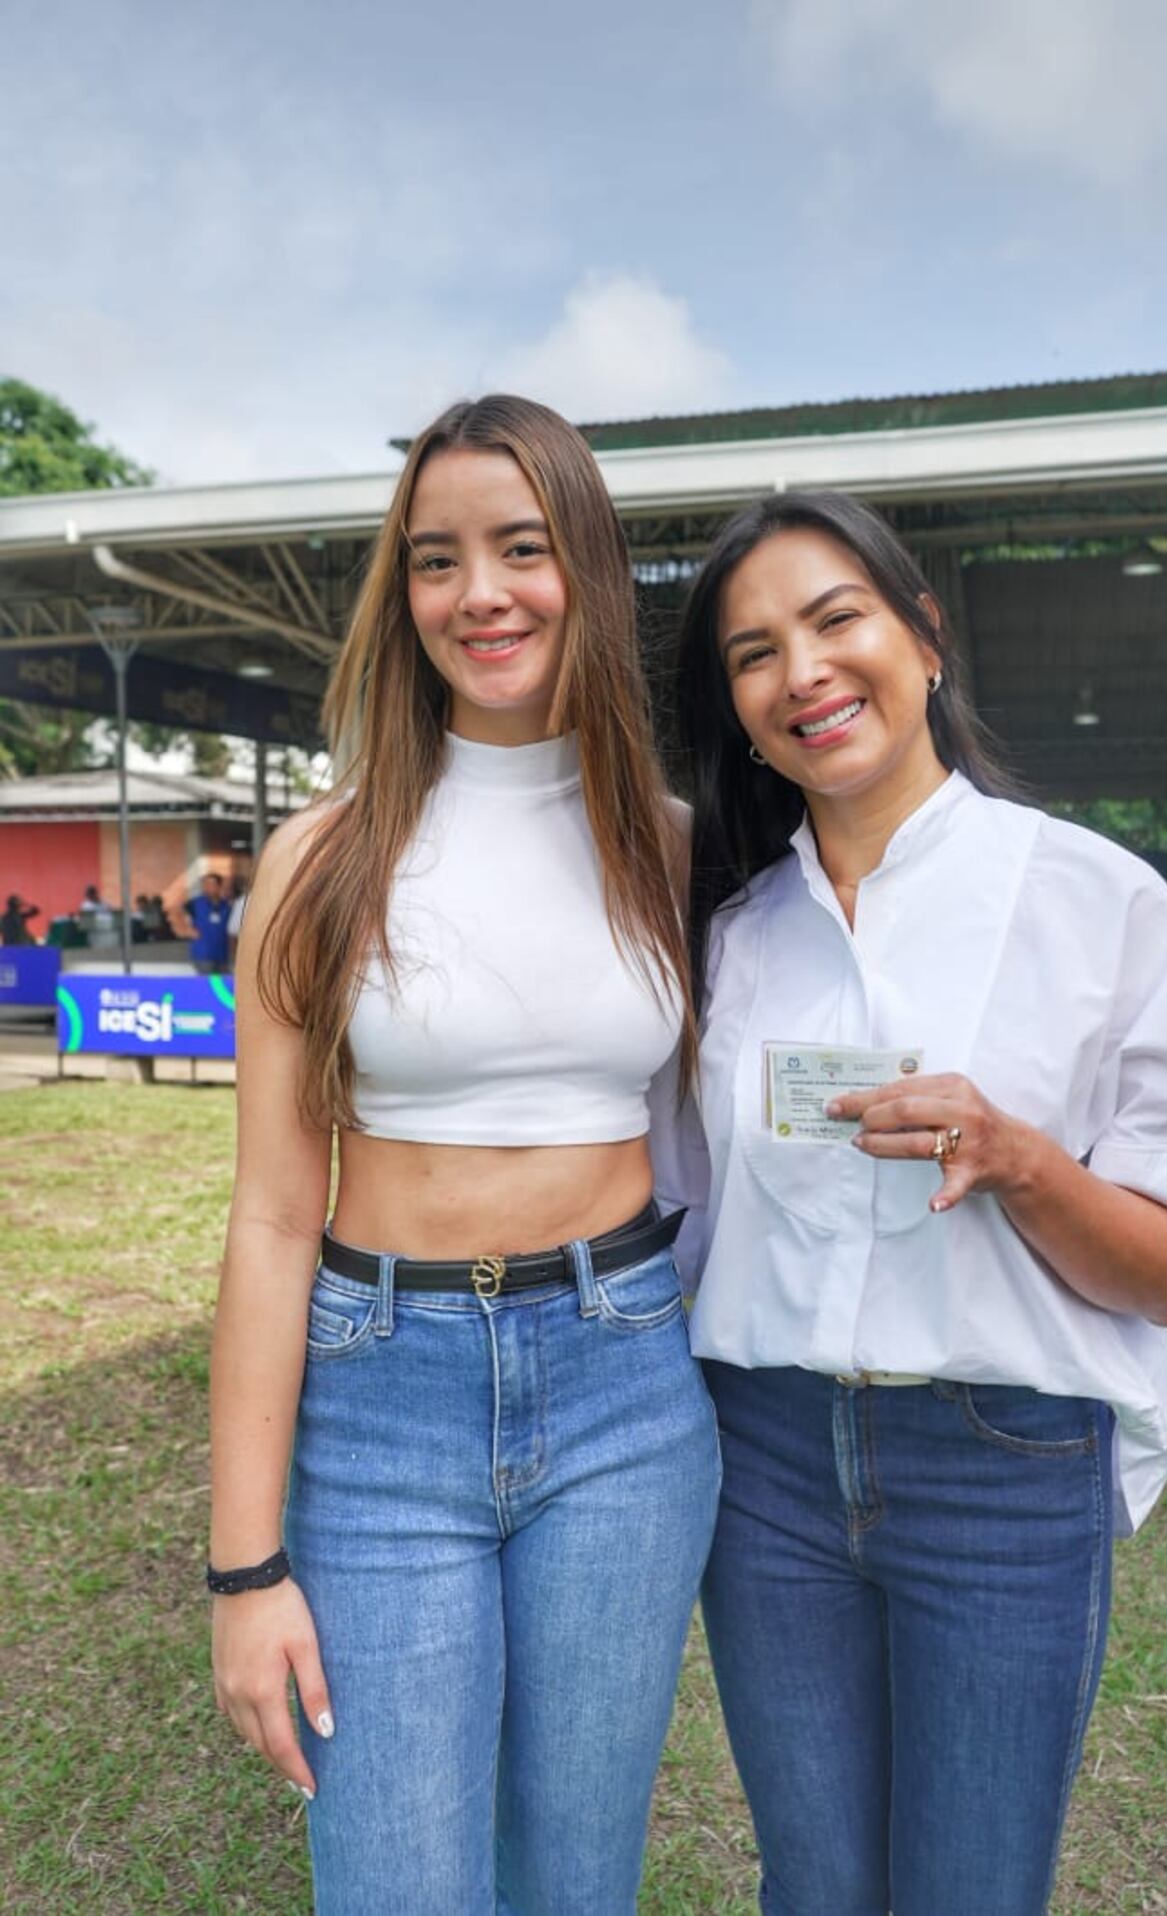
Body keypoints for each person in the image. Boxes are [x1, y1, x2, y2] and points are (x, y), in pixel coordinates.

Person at [673, 491, 1167, 1916]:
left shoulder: (1101, 901)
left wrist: (1025, 1163)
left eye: (837, 621)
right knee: (813, 1887)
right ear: (740, 710)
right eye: (755, 654)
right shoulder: (735, 939)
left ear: (923, 638)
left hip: (1002, 1467)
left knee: (972, 1891)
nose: (804, 674)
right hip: (762, 1468)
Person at [209, 394, 720, 1916]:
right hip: (380, 1406)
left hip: (627, 1387)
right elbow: (270, 1219)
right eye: (437, 559)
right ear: (403, 591)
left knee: (578, 1878)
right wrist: (244, 1572)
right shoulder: (323, 857)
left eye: (521, 545)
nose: (479, 592)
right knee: (396, 1884)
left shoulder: (678, 849)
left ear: (590, 567)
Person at [184, 871, 231, 973]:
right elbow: (176, 914)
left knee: (223, 984)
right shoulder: (194, 903)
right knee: (206, 984)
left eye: (211, 884)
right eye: (205, 884)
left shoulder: (226, 905)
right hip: (203, 955)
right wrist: (188, 930)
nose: (207, 887)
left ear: (219, 886)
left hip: (222, 955)